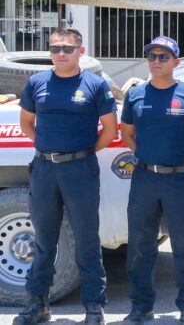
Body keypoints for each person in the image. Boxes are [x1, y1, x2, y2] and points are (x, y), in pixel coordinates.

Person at [15, 28, 117, 325]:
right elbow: (26, 124)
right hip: (45, 169)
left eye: (68, 48)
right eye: (56, 48)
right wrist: (50, 150)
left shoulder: (95, 84)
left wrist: (81, 153)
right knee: (45, 239)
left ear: (80, 52)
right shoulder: (36, 82)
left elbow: (109, 130)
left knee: (87, 239)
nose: (61, 53)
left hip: (80, 169)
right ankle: (37, 304)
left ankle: (94, 308)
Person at [119, 36, 184, 325]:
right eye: (151, 56)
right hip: (145, 179)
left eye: (163, 57)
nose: (156, 62)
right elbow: (128, 134)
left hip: (180, 180)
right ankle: (140, 307)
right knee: (140, 246)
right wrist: (147, 157)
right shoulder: (135, 96)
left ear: (176, 61)